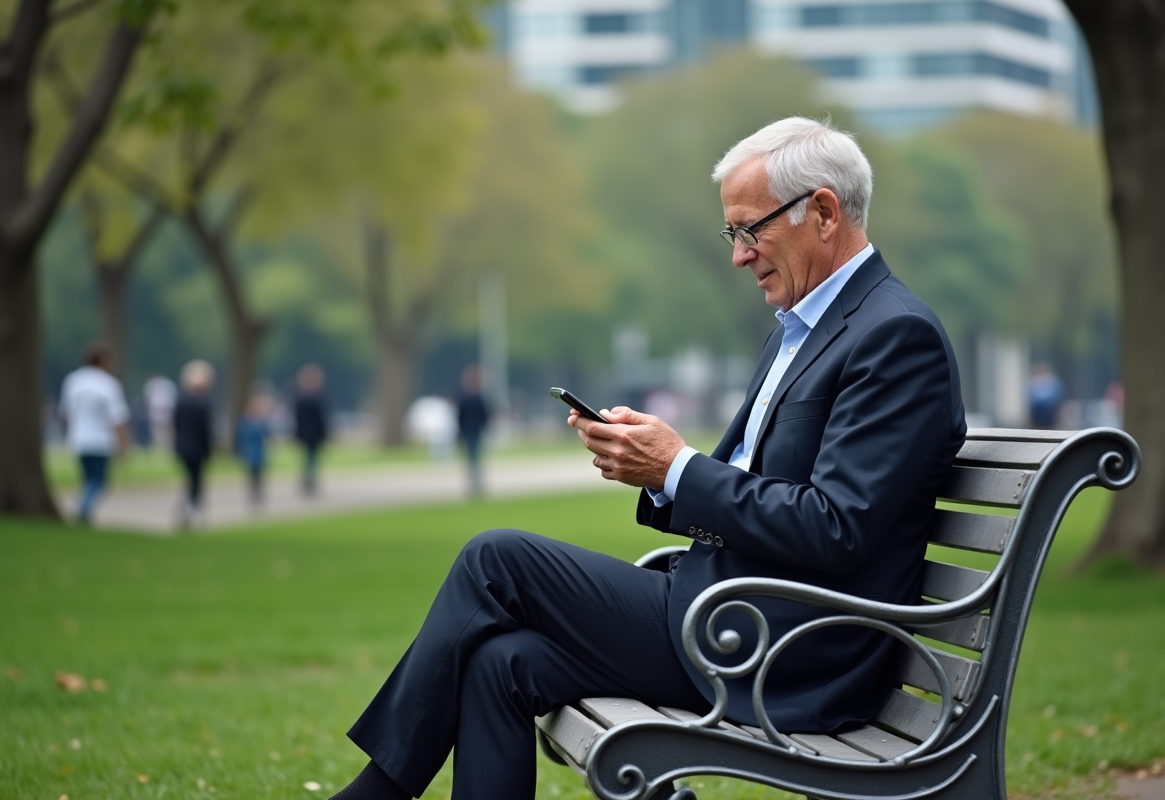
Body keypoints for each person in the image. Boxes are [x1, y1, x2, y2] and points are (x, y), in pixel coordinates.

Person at [327, 117, 966, 800]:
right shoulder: (807, 328)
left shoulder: (894, 335)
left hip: (781, 649)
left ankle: (377, 795)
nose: (739, 256)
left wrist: (677, 468)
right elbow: (759, 487)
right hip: (730, 614)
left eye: (749, 230)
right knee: (499, 662)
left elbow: (837, 528)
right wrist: (658, 472)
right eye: (733, 235)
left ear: (824, 212)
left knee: (496, 560)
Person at [59, 342, 130, 525]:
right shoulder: (108, 384)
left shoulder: (73, 381)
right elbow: (118, 418)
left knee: (88, 479)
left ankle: (85, 510)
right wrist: (124, 444)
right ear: (103, 361)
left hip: (79, 438)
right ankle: (83, 510)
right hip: (100, 440)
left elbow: (66, 412)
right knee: (98, 481)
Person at [173, 360, 214, 530]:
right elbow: (205, 430)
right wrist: (209, 450)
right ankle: (190, 509)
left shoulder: (181, 402)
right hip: (197, 448)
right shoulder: (202, 404)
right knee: (196, 481)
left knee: (191, 480)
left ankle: (188, 508)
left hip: (182, 447)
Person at [455, 364, 490, 498]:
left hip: (468, 430)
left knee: (472, 459)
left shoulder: (464, 397)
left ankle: (474, 484)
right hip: (475, 430)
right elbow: (485, 415)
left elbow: (460, 417)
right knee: (475, 458)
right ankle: (476, 485)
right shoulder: (478, 397)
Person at [293, 364, 328, 496]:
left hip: (309, 434)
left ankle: (309, 480)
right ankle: (309, 480)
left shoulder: (303, 399)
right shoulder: (312, 400)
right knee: (310, 458)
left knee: (310, 458)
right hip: (311, 435)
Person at [236, 393, 272, 508]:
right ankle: (253, 492)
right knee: (252, 473)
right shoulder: (245, 422)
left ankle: (258, 492)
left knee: (259, 474)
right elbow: (240, 437)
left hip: (259, 451)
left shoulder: (260, 422)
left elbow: (267, 434)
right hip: (250, 451)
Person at [1028, 362, 1066, 429]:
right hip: (1038, 411)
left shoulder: (1053, 381)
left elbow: (1058, 396)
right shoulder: (1033, 382)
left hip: (1049, 410)